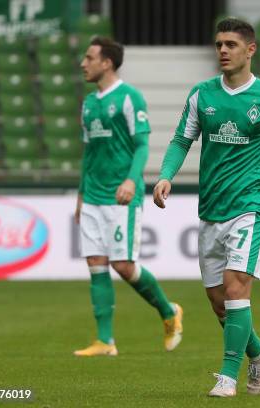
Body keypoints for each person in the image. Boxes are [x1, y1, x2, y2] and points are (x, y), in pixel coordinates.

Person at [153, 18, 260, 397]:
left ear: (251, 50)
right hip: (211, 208)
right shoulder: (202, 94)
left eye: (231, 44)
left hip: (251, 206)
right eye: (219, 44)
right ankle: (259, 352)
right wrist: (166, 174)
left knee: (236, 290)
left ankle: (228, 377)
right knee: (220, 304)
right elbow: (182, 139)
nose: (223, 51)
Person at [74, 36, 183, 357]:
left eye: (89, 57)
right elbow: (89, 153)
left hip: (121, 195)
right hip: (93, 195)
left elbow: (142, 145)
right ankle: (105, 341)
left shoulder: (129, 97)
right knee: (96, 264)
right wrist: (81, 195)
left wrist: (132, 181)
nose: (83, 63)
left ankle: (168, 311)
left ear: (106, 62)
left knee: (122, 265)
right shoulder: (89, 103)